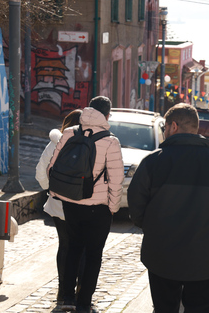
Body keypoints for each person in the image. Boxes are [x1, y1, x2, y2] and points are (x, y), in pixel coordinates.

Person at [127, 103, 209, 313]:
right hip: (206, 259)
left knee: (164, 309)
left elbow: (136, 204)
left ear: (173, 126)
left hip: (162, 255)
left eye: (164, 128)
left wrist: (149, 227)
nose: (164, 132)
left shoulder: (152, 162)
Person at [48, 96, 124, 313]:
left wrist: (58, 193)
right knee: (93, 255)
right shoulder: (111, 141)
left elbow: (53, 167)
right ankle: (84, 303)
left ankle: (68, 299)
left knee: (73, 249)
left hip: (71, 203)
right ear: (107, 115)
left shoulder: (70, 133)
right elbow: (117, 180)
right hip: (98, 208)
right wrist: (113, 207)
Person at [35, 109, 82, 305]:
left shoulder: (54, 143)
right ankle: (81, 293)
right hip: (82, 205)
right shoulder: (90, 144)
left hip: (58, 205)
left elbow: (39, 173)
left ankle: (63, 293)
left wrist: (52, 190)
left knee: (64, 246)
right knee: (82, 248)